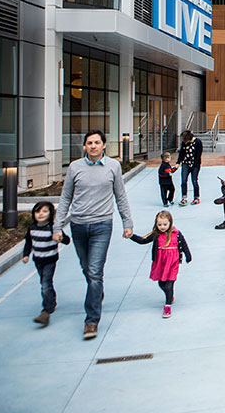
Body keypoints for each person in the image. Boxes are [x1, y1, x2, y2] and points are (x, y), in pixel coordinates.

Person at [54, 129, 134, 340]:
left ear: (104, 145)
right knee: (87, 269)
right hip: (78, 225)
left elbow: (120, 196)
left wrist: (127, 222)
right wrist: (57, 226)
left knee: (95, 271)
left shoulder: (113, 166)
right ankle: (96, 291)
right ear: (84, 147)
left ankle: (91, 321)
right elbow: (65, 198)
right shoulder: (74, 167)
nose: (93, 146)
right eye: (89, 143)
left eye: (97, 142)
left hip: (102, 225)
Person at [131, 210, 192, 319]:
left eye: (165, 224)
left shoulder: (176, 233)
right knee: (161, 283)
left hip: (173, 262)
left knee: (169, 284)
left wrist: (188, 256)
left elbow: (184, 244)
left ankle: (167, 306)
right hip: (161, 262)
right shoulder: (156, 234)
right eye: (159, 225)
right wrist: (131, 236)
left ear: (170, 223)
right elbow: (142, 240)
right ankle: (170, 295)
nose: (162, 227)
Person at [22, 201, 71, 327]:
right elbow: (28, 242)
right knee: (45, 283)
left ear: (50, 214)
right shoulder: (32, 228)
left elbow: (67, 240)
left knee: (45, 284)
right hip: (38, 260)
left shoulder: (53, 227)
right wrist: (26, 255)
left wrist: (60, 238)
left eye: (44, 211)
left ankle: (46, 311)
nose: (41, 214)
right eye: (38, 211)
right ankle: (52, 300)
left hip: (50, 260)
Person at [177, 130, 203, 206]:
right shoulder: (184, 143)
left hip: (195, 164)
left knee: (194, 180)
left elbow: (198, 155)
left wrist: (194, 165)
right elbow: (181, 153)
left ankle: (196, 197)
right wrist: (178, 162)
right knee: (183, 181)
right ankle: (184, 197)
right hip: (186, 163)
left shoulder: (197, 142)